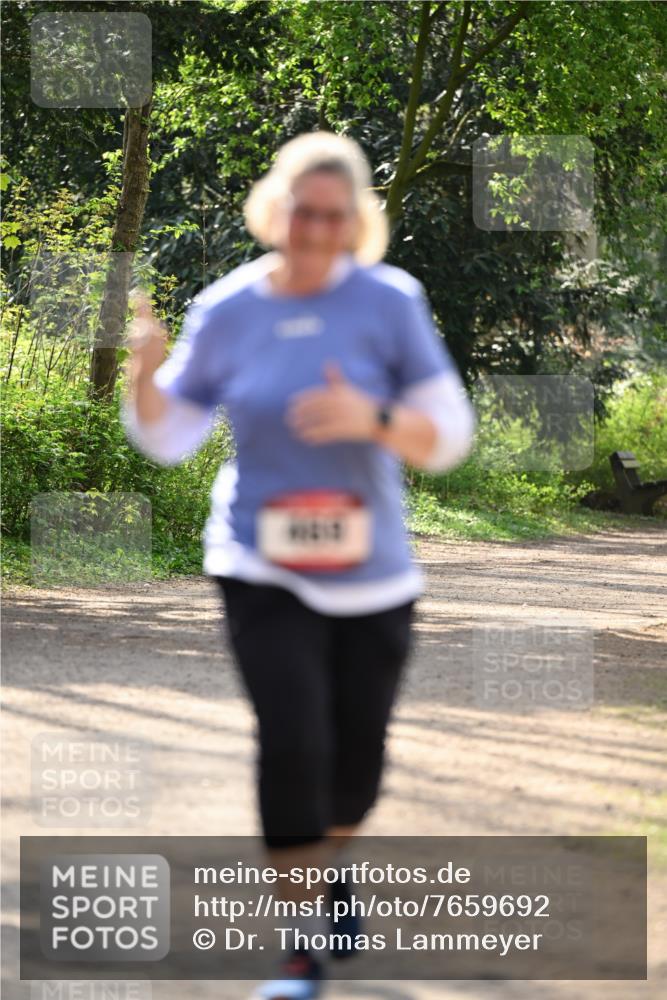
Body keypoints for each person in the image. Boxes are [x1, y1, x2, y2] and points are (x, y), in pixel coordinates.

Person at [123, 130, 475, 999]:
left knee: (357, 757)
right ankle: (298, 947)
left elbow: (448, 440)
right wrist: (144, 378)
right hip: (259, 560)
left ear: (355, 222)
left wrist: (373, 418)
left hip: (374, 569)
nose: (315, 229)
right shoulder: (229, 308)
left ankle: (331, 859)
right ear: (275, 211)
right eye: (302, 211)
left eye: (333, 216)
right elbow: (170, 438)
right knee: (293, 740)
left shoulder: (390, 302)